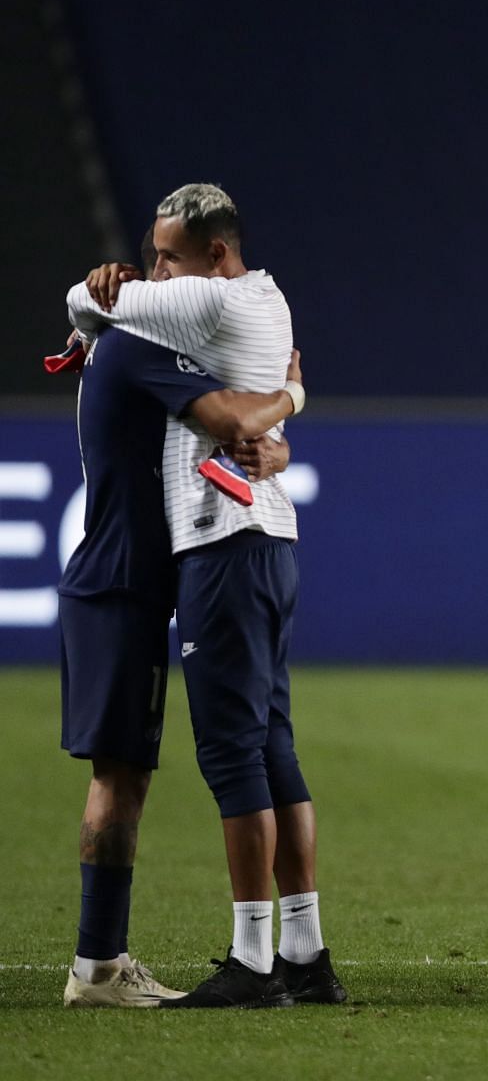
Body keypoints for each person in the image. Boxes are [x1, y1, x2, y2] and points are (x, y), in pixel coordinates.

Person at [68, 183, 344, 1009]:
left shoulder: (192, 309)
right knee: (269, 749)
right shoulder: (270, 298)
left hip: (221, 544)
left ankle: (252, 963)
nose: (150, 272)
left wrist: (97, 289)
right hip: (265, 535)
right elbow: (247, 424)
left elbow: (88, 303)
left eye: (165, 257)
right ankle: (303, 954)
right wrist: (288, 418)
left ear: (215, 256)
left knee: (229, 756)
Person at [56, 305, 297, 1007]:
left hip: (128, 580)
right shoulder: (137, 343)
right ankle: (96, 967)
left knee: (126, 773)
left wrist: (275, 448)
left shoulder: (122, 342)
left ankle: (100, 961)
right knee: (118, 775)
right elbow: (228, 417)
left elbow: (227, 442)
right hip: (121, 581)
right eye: (163, 268)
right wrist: (290, 397)